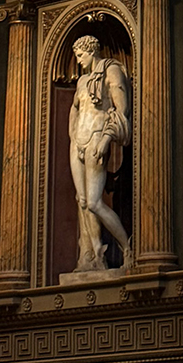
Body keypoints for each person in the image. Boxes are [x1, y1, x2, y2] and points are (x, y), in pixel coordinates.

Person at [68, 35, 133, 274]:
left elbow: (121, 109)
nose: (78, 61)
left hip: (96, 138)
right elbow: (75, 109)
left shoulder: (111, 71)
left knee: (95, 202)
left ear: (91, 51)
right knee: (82, 201)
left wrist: (106, 139)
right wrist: (73, 135)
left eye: (80, 55)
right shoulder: (82, 80)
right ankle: (95, 257)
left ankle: (127, 248)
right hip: (78, 143)